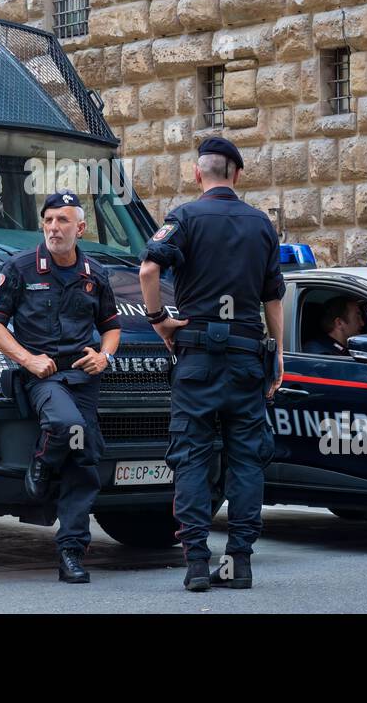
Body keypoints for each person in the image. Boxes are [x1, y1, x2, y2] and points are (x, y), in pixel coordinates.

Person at [138, 136, 284, 592]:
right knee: (245, 459)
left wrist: (160, 320)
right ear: (236, 175)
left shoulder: (183, 217)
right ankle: (238, 561)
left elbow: (147, 270)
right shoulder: (261, 224)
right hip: (245, 357)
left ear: (198, 174)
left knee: (193, 458)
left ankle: (197, 563)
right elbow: (273, 298)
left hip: (196, 356)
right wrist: (277, 354)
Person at [0, 190, 121, 584]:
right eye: (48, 221)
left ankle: (71, 552)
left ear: (80, 227)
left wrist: (105, 357)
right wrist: (27, 359)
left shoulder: (95, 274)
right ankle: (41, 463)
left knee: (84, 461)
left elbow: (111, 327)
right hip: (42, 377)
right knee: (64, 426)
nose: (54, 228)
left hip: (84, 378)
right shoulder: (21, 268)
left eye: (63, 221)